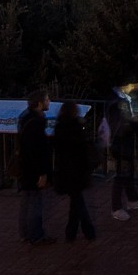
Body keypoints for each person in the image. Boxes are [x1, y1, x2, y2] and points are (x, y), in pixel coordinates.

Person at [51, 100, 97, 242]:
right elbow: (83, 149)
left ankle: (72, 232)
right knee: (78, 201)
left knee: (76, 200)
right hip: (77, 170)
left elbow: (57, 148)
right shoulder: (77, 126)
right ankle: (86, 231)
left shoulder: (59, 127)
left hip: (66, 170)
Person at [15, 90, 52, 244]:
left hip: (25, 167)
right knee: (35, 203)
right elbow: (38, 151)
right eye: (47, 99)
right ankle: (36, 235)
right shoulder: (36, 123)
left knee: (25, 201)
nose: (49, 102)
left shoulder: (24, 119)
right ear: (39, 104)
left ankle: (25, 233)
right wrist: (42, 173)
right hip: (33, 170)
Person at [105, 101, 138, 220]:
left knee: (127, 173)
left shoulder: (117, 109)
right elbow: (126, 129)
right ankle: (116, 208)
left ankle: (132, 199)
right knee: (121, 175)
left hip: (122, 147)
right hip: (121, 148)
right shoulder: (120, 114)